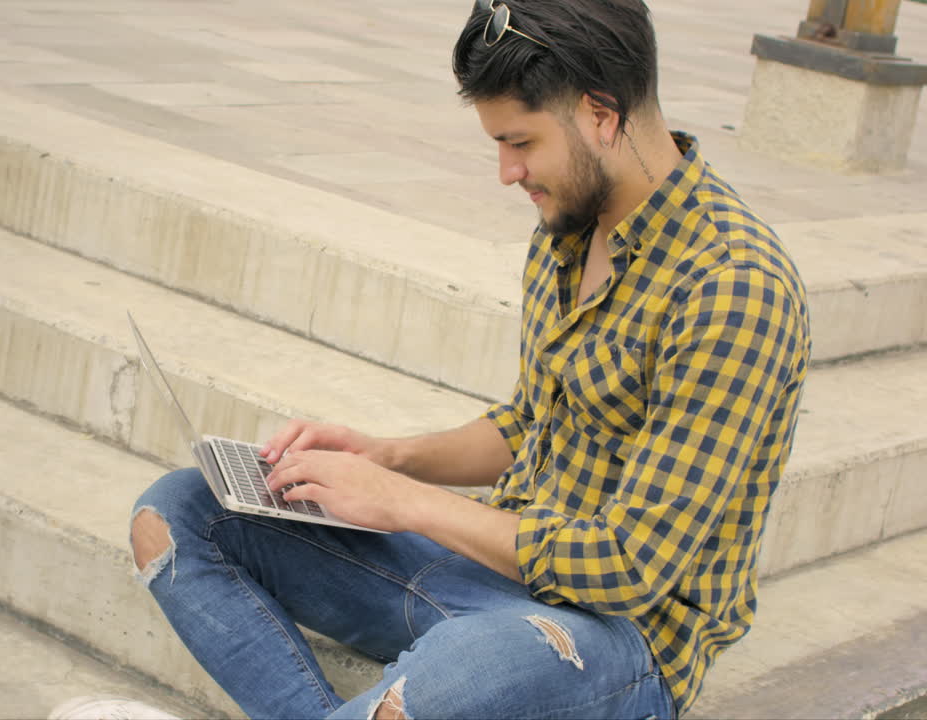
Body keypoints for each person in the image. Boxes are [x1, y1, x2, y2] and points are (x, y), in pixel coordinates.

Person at [54, 0, 811, 717]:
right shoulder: (570, 229)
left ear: (601, 114)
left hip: (616, 643)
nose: (508, 173)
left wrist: (400, 501)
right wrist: (387, 455)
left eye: (520, 142)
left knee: (461, 671)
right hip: (492, 574)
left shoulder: (733, 288)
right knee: (180, 512)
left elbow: (629, 565)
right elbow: (532, 420)